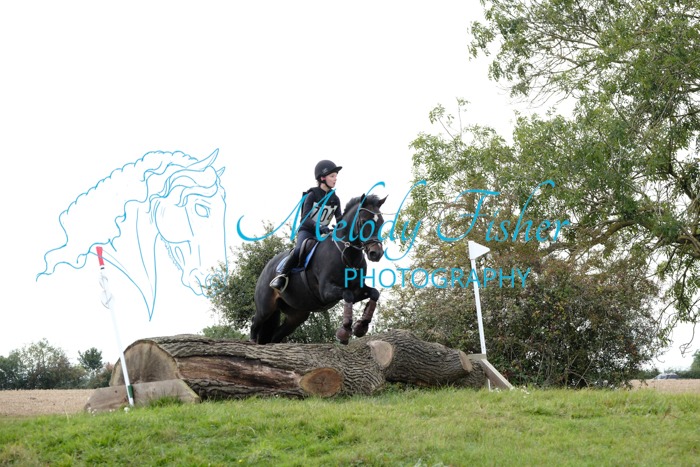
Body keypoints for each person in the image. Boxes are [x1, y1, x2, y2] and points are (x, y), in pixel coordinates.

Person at [269, 160, 343, 292]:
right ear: (322, 178)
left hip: (323, 234)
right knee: (298, 250)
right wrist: (319, 226)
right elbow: (304, 219)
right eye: (332, 176)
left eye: (336, 176)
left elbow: (340, 220)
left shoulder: (335, 199)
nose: (335, 179)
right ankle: (281, 276)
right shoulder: (311, 195)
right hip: (307, 231)